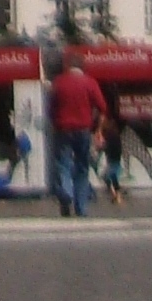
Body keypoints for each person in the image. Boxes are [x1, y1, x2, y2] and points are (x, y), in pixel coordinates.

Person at [50, 52, 107, 217]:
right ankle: (81, 209)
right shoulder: (90, 82)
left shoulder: (58, 82)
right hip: (83, 130)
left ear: (67, 66)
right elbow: (102, 108)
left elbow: (51, 107)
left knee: (63, 164)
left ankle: (66, 192)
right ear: (83, 67)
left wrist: (54, 123)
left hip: (63, 129)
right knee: (82, 167)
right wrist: (98, 130)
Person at [100, 116, 124, 205]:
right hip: (114, 160)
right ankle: (115, 194)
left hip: (113, 161)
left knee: (111, 177)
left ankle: (117, 195)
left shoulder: (111, 137)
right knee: (110, 177)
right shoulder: (115, 136)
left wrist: (103, 148)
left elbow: (109, 148)